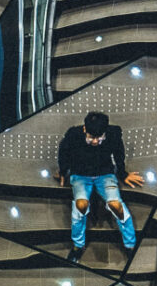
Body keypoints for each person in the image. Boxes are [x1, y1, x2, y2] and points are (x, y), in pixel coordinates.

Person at [58, 112, 144, 263]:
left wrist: (123, 173)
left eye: (100, 138)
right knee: (80, 206)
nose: (96, 141)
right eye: (92, 138)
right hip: (80, 175)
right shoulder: (73, 135)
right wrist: (63, 171)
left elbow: (119, 154)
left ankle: (130, 246)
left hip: (105, 174)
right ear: (85, 129)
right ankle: (78, 245)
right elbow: (63, 153)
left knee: (117, 206)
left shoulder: (113, 134)